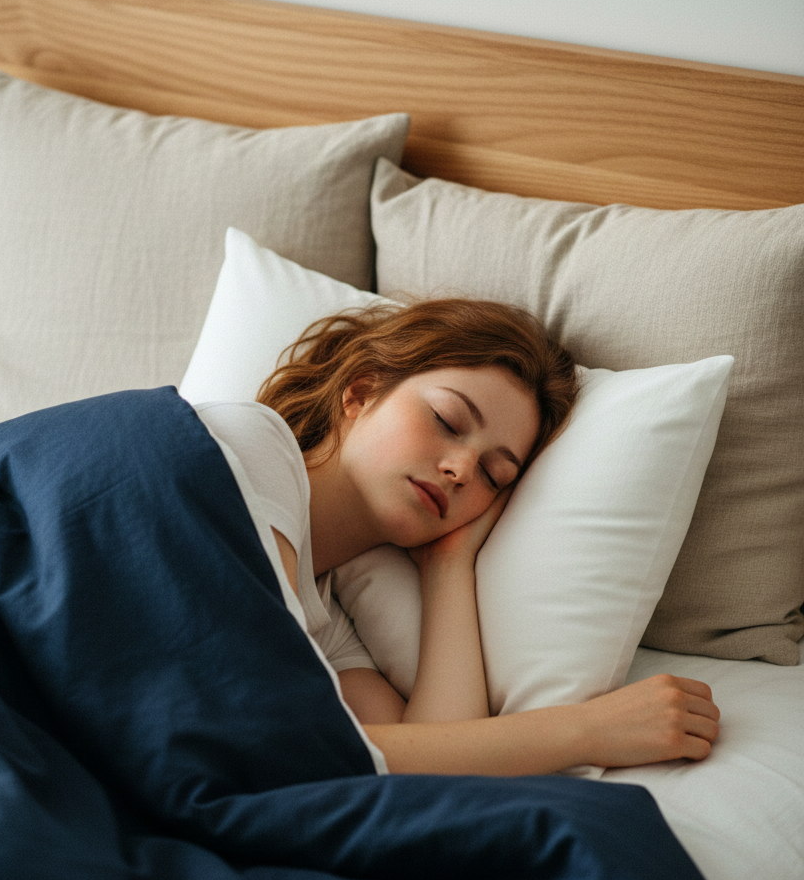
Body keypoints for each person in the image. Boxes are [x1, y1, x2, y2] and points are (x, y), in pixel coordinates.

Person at [196, 298, 720, 777]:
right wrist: (588, 731)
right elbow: (260, 741)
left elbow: (429, 769)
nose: (463, 470)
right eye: (447, 420)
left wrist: (448, 566)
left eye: (495, 476)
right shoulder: (247, 447)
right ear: (360, 391)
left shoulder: (323, 620)